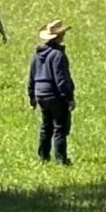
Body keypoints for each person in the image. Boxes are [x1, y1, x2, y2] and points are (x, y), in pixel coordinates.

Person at [28, 19, 76, 163]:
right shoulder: (58, 55)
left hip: (40, 94)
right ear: (59, 36)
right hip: (55, 95)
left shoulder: (37, 55)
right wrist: (69, 98)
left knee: (46, 126)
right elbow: (61, 79)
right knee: (60, 127)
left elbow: (31, 76)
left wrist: (32, 96)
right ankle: (61, 159)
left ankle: (43, 156)